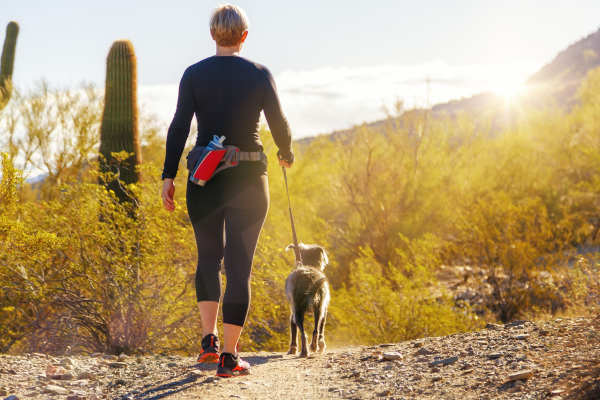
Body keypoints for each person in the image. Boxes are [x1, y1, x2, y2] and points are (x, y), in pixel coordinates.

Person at [160, 4, 293, 377]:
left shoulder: (193, 74)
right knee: (238, 269)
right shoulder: (259, 74)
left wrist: (168, 175)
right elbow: (278, 122)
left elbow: (178, 127)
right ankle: (230, 358)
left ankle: (208, 343)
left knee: (207, 259)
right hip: (250, 179)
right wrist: (286, 152)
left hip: (203, 179)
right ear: (244, 36)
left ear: (213, 34)